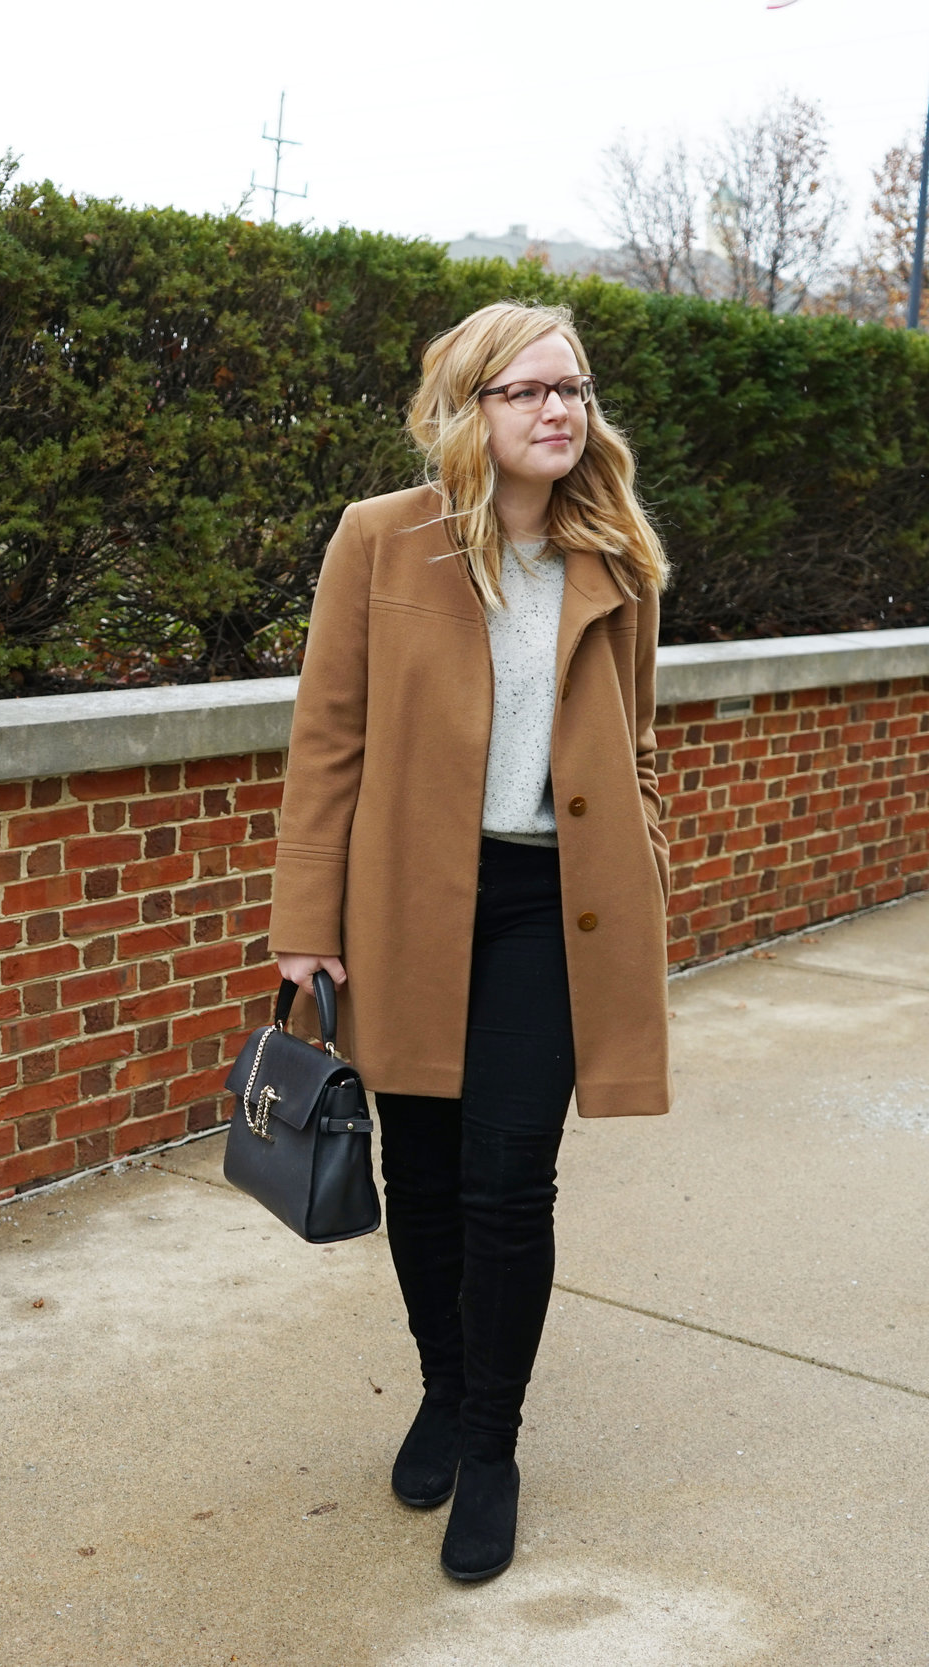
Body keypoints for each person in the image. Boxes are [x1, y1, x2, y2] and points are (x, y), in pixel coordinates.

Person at [268, 300, 675, 1583]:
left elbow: (639, 738)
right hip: (409, 901)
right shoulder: (379, 543)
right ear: (470, 408)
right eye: (530, 391)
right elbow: (327, 738)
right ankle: (443, 1390)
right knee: (426, 1176)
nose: (562, 411)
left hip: (554, 910)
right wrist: (304, 922)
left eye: (577, 389)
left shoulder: (617, 556)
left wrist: (644, 840)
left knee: (510, 1183)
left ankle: (489, 1444)